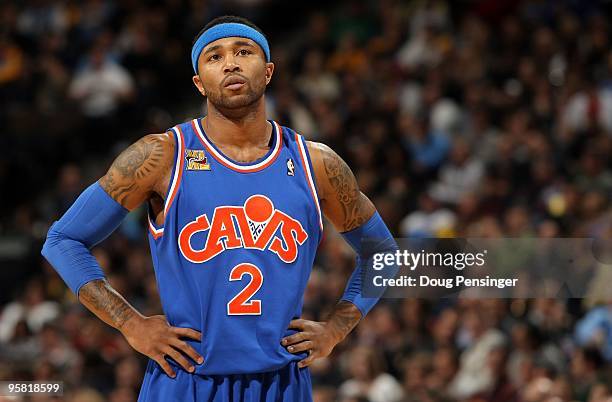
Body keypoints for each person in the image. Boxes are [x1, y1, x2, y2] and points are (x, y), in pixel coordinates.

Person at [42, 15, 397, 402]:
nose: (230, 63)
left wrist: (335, 330)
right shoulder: (162, 155)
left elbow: (383, 252)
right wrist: (131, 323)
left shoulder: (317, 164)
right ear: (199, 82)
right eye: (214, 57)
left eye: (244, 52)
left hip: (281, 382)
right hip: (185, 378)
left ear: (268, 72)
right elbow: (63, 239)